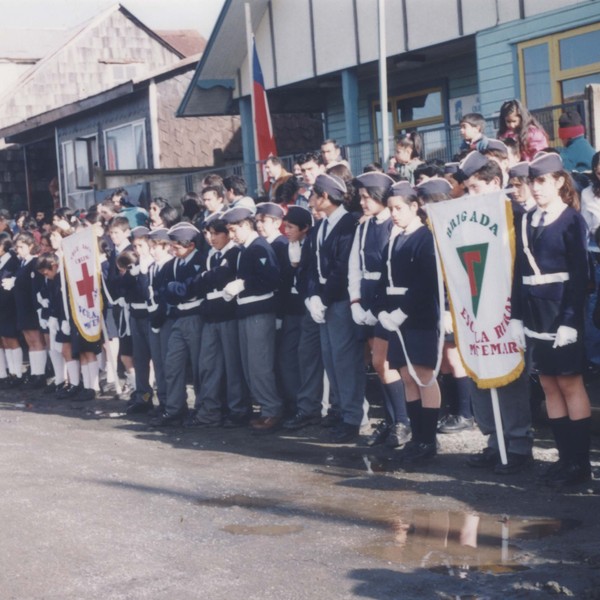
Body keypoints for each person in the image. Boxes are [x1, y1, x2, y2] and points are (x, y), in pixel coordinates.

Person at [510, 152, 592, 487]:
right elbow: (519, 272)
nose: (536, 187)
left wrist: (571, 321)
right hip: (535, 313)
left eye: (541, 181)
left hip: (562, 311)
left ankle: (580, 464)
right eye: (532, 181)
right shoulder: (529, 219)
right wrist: (516, 316)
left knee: (570, 383)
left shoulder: (572, 220)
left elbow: (580, 276)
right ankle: (564, 460)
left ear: (558, 181)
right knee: (547, 383)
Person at [457, 151, 534, 474]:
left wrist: (516, 312)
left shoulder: (516, 214)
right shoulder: (463, 218)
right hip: (477, 307)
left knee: (511, 376)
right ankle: (494, 441)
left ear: (495, 183)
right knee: (481, 372)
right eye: (467, 189)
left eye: (476, 187)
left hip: (509, 308)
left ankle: (517, 446)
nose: (470, 194)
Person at [375, 180, 442, 462]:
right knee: (405, 376)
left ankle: (429, 439)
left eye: (399, 208)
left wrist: (403, 311)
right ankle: (418, 437)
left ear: (415, 207)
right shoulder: (395, 237)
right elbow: (384, 279)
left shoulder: (424, 237)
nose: (394, 213)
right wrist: (381, 309)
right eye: (391, 209)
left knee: (423, 375)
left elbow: (426, 282)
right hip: (395, 316)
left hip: (418, 315)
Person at [349, 172, 411, 449]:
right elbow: (354, 265)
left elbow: (391, 269)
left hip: (387, 299)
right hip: (367, 296)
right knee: (378, 362)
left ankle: (403, 421)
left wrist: (376, 307)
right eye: (360, 197)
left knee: (387, 364)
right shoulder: (363, 227)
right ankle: (390, 421)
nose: (362, 202)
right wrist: (355, 301)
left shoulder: (394, 226)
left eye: (366, 197)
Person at [307, 173, 366, 443]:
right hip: (325, 300)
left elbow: (343, 267)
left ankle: (353, 417)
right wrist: (312, 296)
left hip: (340, 299)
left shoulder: (349, 223)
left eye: (314, 195)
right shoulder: (321, 226)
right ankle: (341, 411)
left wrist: (324, 297)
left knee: (345, 361)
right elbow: (312, 265)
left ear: (325, 197)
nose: (311, 200)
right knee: (331, 359)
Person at [221, 206, 283, 432]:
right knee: (250, 366)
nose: (231, 235)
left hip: (259, 312)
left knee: (260, 365)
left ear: (246, 226)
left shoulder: (259, 247)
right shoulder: (245, 249)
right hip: (246, 311)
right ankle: (265, 408)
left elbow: (272, 279)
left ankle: (272, 409)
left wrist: (244, 284)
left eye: (234, 229)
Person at [149, 223, 205, 427]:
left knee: (200, 366)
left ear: (189, 245)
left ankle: (201, 408)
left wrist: (177, 289)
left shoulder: (200, 260)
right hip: (178, 316)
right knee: (172, 363)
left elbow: (192, 289)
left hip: (196, 316)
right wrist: (176, 290)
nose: (173, 250)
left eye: (176, 247)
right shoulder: (172, 265)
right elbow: (162, 290)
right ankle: (175, 408)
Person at [4, 233, 47, 388]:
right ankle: (35, 373)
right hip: (22, 306)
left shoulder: (34, 262)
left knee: (36, 341)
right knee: (30, 342)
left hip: (31, 307)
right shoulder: (22, 264)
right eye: (17, 247)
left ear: (30, 246)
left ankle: (39, 375)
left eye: (21, 247)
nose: (18, 250)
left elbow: (34, 286)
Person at [580, 152, 600, 370]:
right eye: (596, 169)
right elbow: (585, 228)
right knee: (594, 307)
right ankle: (595, 359)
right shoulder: (587, 193)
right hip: (595, 253)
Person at [0, 232, 22, 388]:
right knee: (3, 340)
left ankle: (17, 373)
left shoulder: (13, 262)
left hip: (8, 306)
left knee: (11, 339)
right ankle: (4, 373)